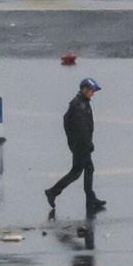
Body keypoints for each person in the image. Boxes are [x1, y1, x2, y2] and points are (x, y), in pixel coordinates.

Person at [45, 78, 106, 212]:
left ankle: (90, 197)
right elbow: (80, 128)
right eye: (91, 91)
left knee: (89, 169)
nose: (93, 93)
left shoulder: (82, 102)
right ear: (84, 90)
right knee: (76, 172)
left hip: (82, 144)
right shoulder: (78, 105)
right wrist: (85, 144)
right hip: (81, 146)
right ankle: (53, 192)